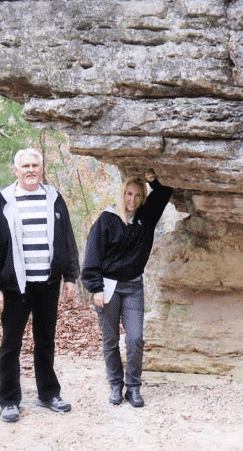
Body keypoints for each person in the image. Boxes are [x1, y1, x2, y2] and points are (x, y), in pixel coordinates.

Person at [0, 148, 80, 423]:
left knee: (45, 340)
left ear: (42, 168)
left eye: (35, 164)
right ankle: (9, 400)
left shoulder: (54, 198)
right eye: (25, 166)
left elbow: (67, 238)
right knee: (11, 344)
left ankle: (49, 394)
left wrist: (70, 276)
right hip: (15, 287)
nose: (31, 169)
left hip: (47, 283)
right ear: (16, 170)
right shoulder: (3, 200)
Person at [82, 168, 173, 408]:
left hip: (133, 288)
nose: (132, 200)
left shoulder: (146, 218)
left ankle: (133, 387)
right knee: (110, 339)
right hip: (108, 287)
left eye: (138, 196)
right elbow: (92, 255)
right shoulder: (107, 219)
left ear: (143, 198)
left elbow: (164, 194)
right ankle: (115, 385)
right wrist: (96, 288)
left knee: (135, 339)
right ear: (122, 194)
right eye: (128, 194)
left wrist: (154, 180)